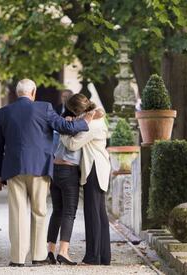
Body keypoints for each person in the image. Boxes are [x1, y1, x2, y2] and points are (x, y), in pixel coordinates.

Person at [0, 79, 95, 267]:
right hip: (39, 168)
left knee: (17, 213)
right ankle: (39, 256)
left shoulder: (4, 113)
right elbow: (66, 128)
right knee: (39, 211)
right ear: (33, 92)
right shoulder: (44, 108)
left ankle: (17, 259)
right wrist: (86, 121)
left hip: (13, 169)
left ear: (17, 94)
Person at [60, 94, 111, 265]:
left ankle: (93, 257)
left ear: (76, 110)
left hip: (94, 168)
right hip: (99, 167)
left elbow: (73, 144)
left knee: (93, 213)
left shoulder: (92, 125)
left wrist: (63, 133)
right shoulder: (93, 118)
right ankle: (104, 256)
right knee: (100, 212)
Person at [47, 107, 81, 266]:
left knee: (57, 211)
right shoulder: (75, 127)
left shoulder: (57, 128)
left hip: (55, 170)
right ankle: (63, 252)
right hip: (69, 170)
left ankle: (50, 251)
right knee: (69, 212)